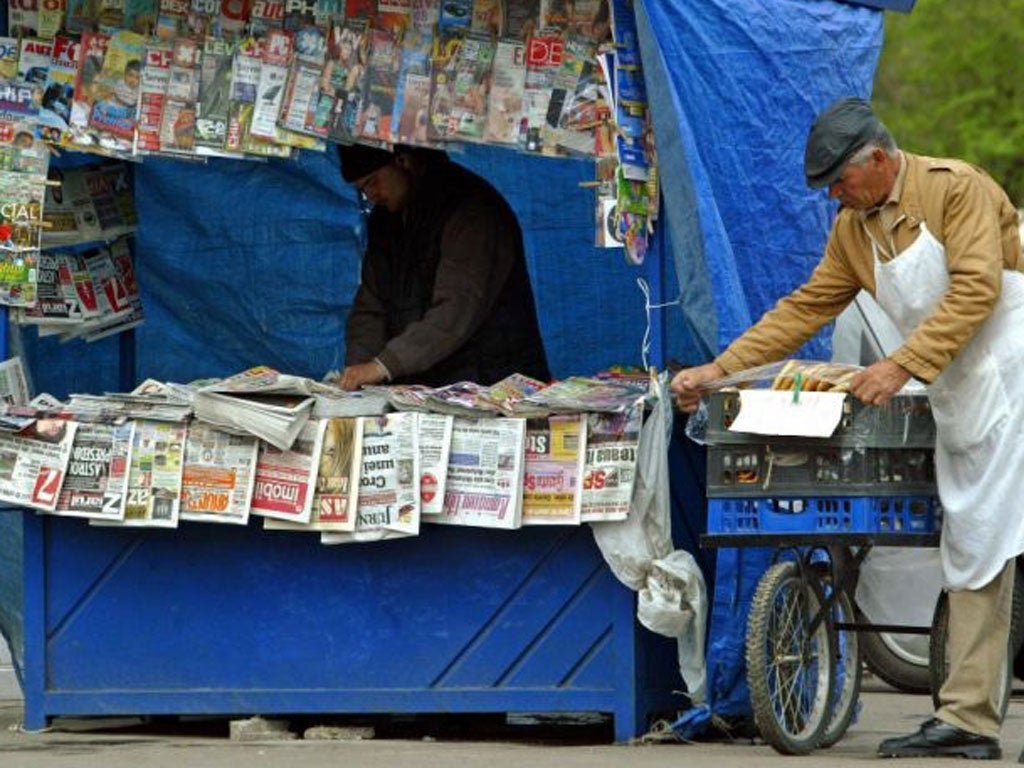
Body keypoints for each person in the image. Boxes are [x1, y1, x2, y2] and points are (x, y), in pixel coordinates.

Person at [671, 97, 1024, 761]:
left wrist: (900, 365)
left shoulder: (958, 189)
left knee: (985, 540)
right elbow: (804, 308)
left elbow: (976, 289)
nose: (835, 194)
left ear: (880, 159)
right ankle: (966, 719)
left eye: (840, 181)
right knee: (977, 541)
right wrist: (719, 370)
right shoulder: (853, 229)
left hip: (1011, 374)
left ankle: (969, 719)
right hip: (958, 386)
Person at [337, 143, 551, 390]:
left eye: (373, 181)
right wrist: (357, 373)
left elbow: (455, 308)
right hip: (428, 386)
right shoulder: (385, 220)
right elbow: (371, 306)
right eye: (362, 189)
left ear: (403, 161)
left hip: (491, 382)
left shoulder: (470, 207)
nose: (371, 195)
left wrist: (382, 366)